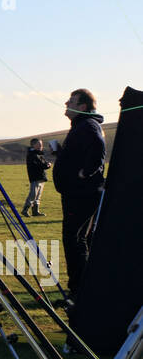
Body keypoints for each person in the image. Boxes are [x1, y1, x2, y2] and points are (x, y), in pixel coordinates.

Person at [52, 88, 106, 299]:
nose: (66, 103)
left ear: (82, 106)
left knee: (75, 240)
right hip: (77, 193)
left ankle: (79, 290)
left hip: (81, 195)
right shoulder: (82, 126)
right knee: (78, 239)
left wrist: (84, 174)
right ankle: (84, 287)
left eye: (71, 101)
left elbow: (98, 153)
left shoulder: (88, 126)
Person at [22, 137, 51, 217]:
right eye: (39, 144)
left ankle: (35, 211)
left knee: (38, 195)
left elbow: (43, 163)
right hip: (35, 177)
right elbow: (40, 165)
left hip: (40, 177)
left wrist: (47, 164)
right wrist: (47, 165)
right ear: (33, 145)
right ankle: (25, 210)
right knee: (33, 195)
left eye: (41, 144)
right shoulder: (32, 155)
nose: (41, 146)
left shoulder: (38, 153)